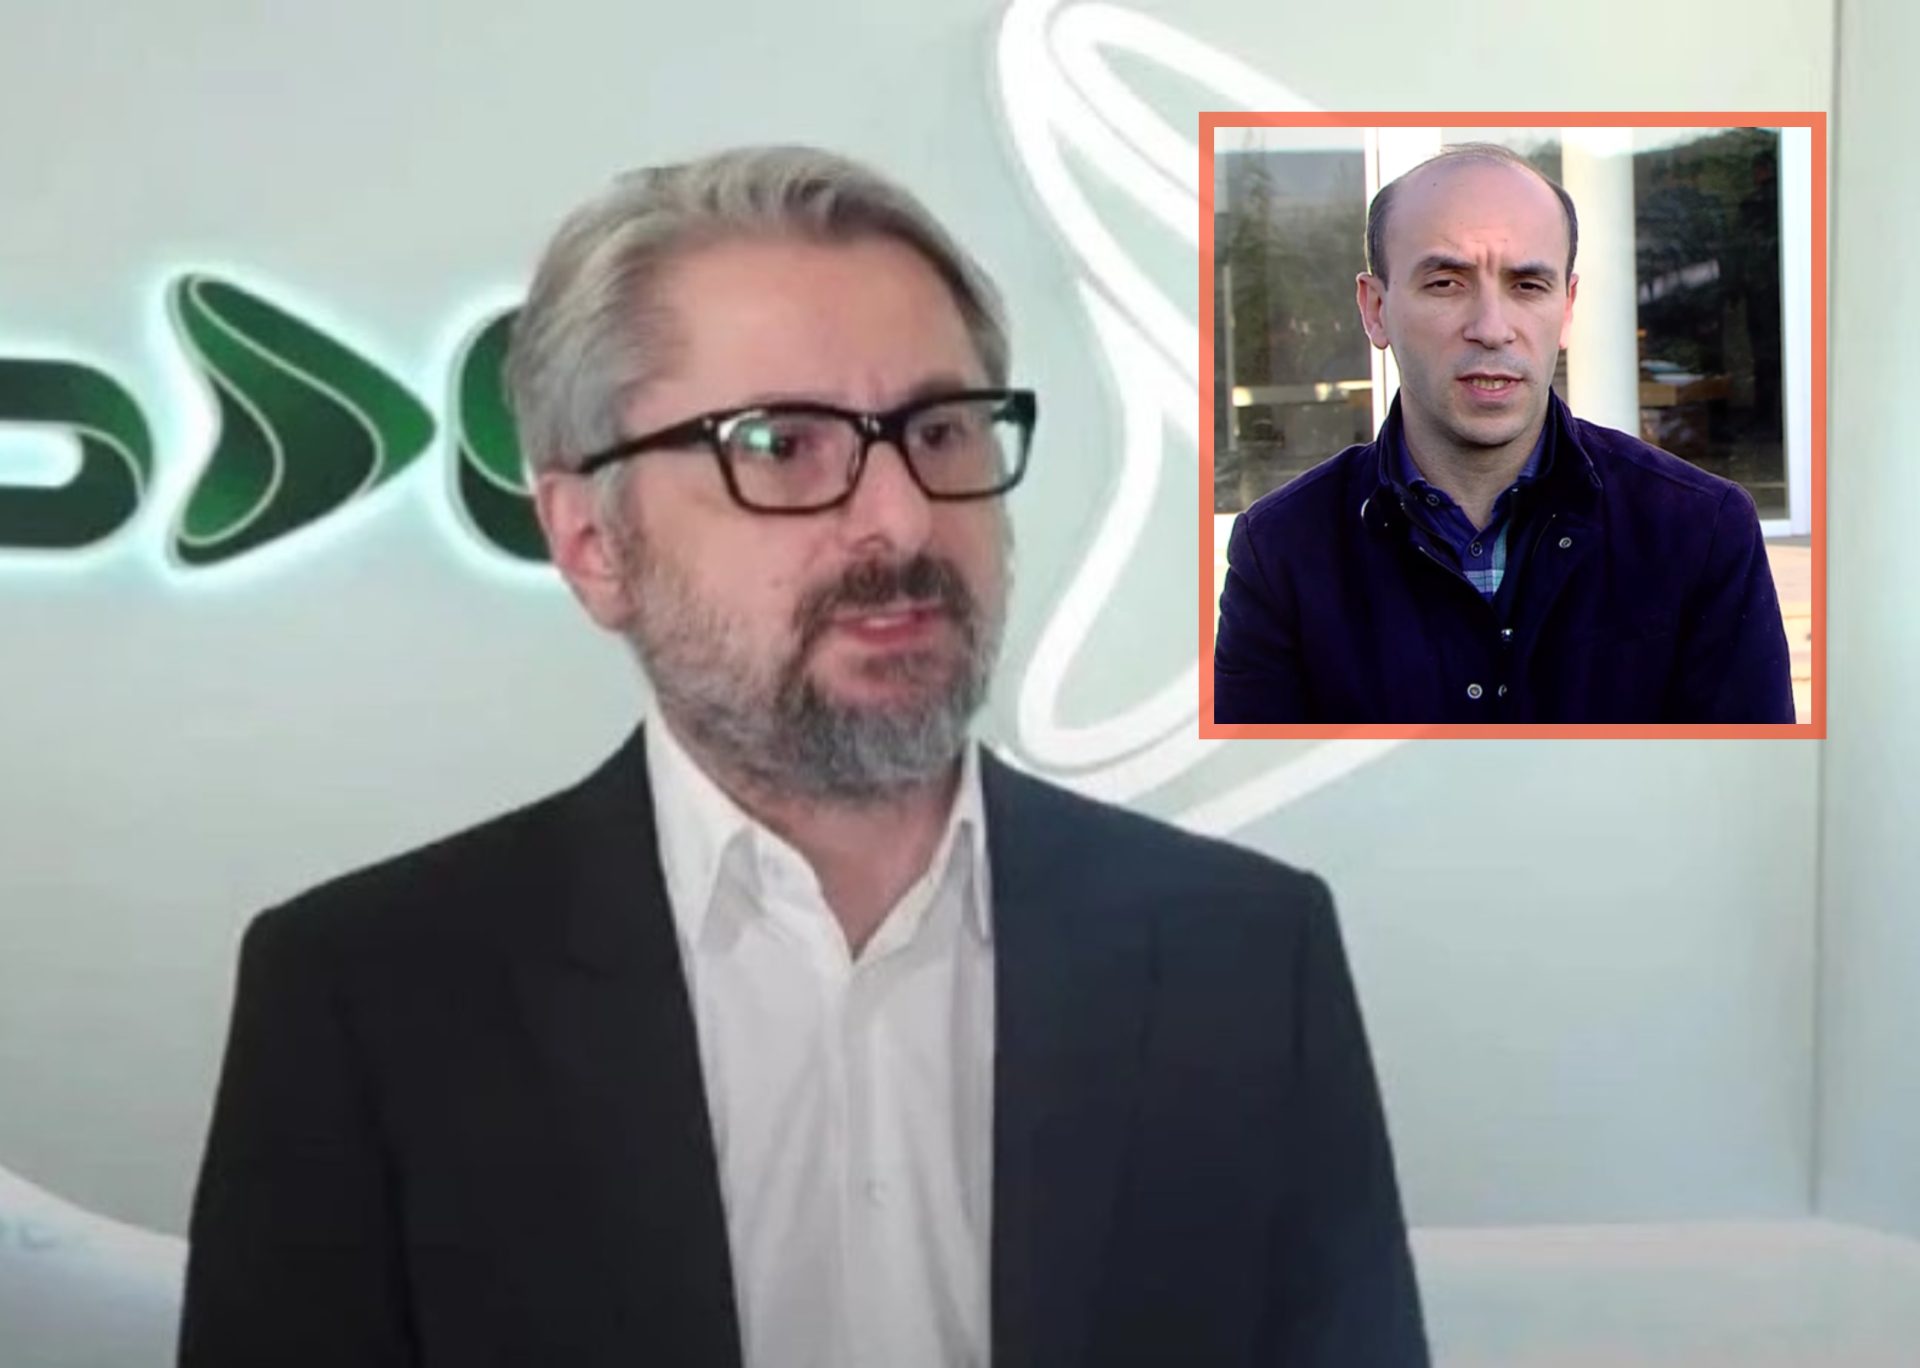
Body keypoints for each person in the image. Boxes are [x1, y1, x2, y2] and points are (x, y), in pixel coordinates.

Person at [177, 145, 1427, 1368]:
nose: (900, 518)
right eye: (780, 445)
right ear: (592, 541)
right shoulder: (368, 1002)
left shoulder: (1245, 957)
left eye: (941, 431)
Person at [1213, 143, 1795, 724]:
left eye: (1528, 286)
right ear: (1375, 309)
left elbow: (1748, 780)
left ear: (1566, 308)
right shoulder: (1281, 551)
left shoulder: (1701, 531)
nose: (1492, 329)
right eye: (1446, 283)